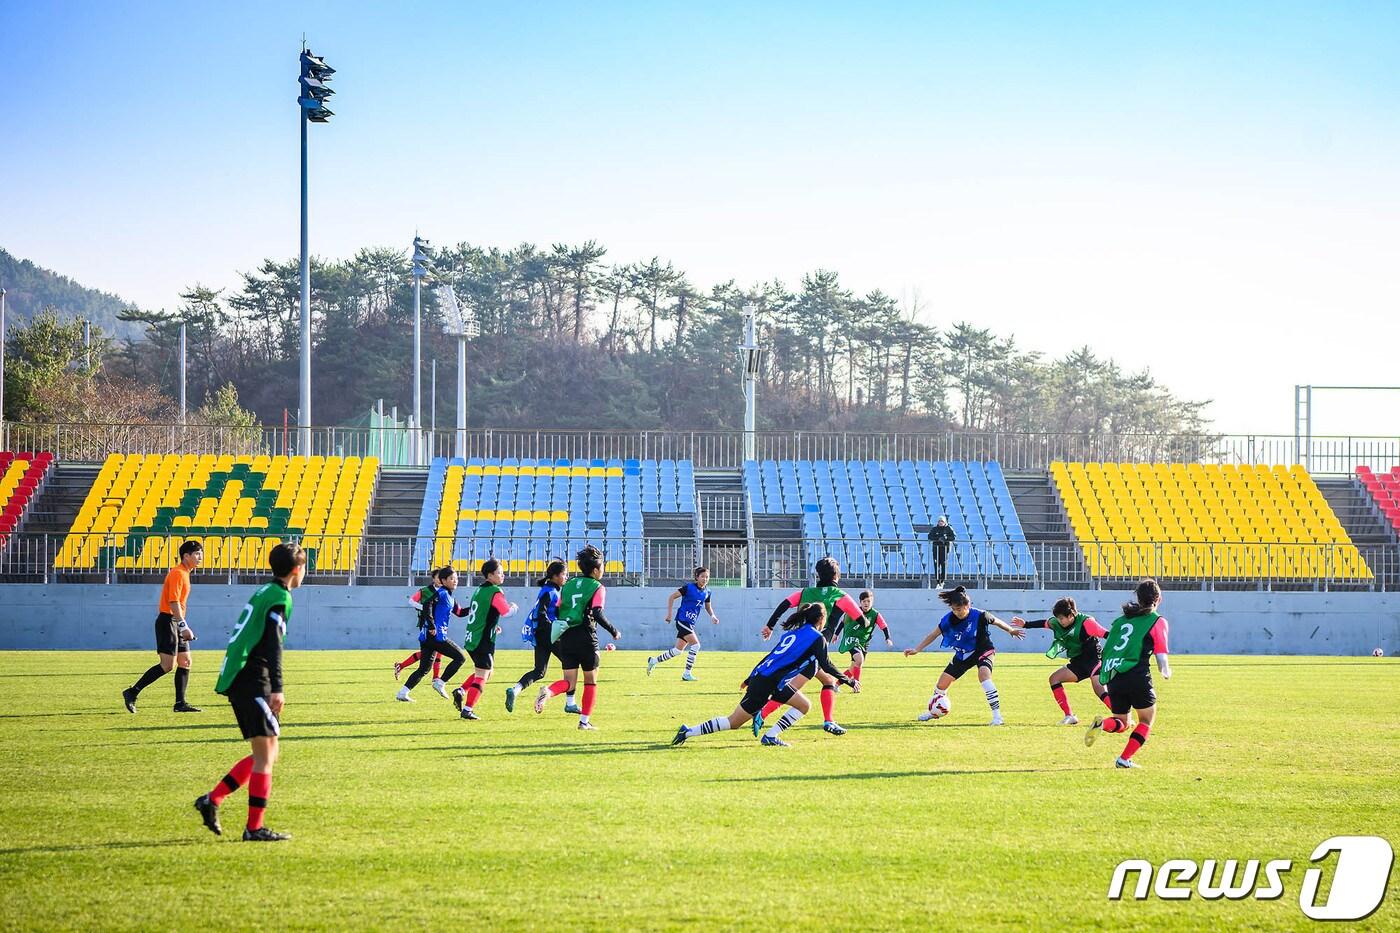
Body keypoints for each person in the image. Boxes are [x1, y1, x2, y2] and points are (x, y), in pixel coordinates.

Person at [193, 542, 306, 842]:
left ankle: (212, 800)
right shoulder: (280, 597)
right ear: (297, 570)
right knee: (266, 754)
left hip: (246, 676)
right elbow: (273, 645)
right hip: (251, 678)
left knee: (266, 753)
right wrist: (278, 688)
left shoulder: (265, 591)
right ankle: (253, 828)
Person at [671, 603, 859, 748]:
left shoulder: (793, 634)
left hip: (771, 680)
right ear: (821, 620)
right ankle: (688, 732)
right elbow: (826, 664)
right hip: (768, 683)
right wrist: (848, 680)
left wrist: (750, 677)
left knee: (804, 705)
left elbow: (770, 657)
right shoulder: (817, 638)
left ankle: (771, 736)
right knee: (733, 722)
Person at [751, 556, 864, 736]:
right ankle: (762, 715)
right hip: (813, 650)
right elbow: (862, 619)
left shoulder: (805, 592)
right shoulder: (841, 596)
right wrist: (842, 616)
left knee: (827, 681)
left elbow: (784, 605)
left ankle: (829, 721)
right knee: (794, 688)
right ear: (837, 575)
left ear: (818, 575)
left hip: (800, 645)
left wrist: (770, 626)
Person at [903, 585, 1026, 726]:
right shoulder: (948, 619)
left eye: (959, 609)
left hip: (983, 650)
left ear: (968, 605)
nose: (956, 612)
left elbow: (997, 622)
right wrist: (917, 649)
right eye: (954, 609)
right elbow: (933, 634)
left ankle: (997, 717)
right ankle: (934, 711)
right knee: (941, 685)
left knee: (984, 676)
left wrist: (1011, 630)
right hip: (963, 654)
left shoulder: (980, 615)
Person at [1085, 579, 1172, 769]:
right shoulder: (1157, 620)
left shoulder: (1120, 621)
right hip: (1137, 675)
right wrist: (1165, 670)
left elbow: (1109, 650)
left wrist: (1105, 672)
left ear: (1138, 599)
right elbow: (1161, 653)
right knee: (1146, 721)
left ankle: (1103, 725)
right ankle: (1124, 759)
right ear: (1159, 599)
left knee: (1122, 722)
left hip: (1115, 675)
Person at [534, 545, 621, 730]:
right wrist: (614, 631)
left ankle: (548, 692)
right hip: (586, 637)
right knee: (590, 681)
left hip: (566, 637)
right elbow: (597, 612)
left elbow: (557, 607)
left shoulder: (568, 584)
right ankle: (584, 722)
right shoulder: (598, 587)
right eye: (602, 566)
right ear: (596, 569)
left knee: (569, 682)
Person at [124, 540, 204, 714]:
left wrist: (182, 624)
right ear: (186, 556)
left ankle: (180, 703)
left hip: (176, 621)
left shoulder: (185, 573)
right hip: (168, 621)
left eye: (201, 553)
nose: (200, 557)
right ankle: (132, 692)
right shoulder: (178, 573)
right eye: (197, 553)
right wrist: (183, 626)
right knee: (167, 665)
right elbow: (173, 601)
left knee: (185, 661)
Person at [1011, 596, 1113, 724]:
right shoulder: (1056, 623)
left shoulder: (1086, 622)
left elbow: (1107, 634)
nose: (1059, 621)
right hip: (1077, 662)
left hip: (1094, 660)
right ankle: (1069, 716)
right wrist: (1025, 624)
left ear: (1071, 615)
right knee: (1054, 679)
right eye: (1058, 618)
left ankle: (1121, 716)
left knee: (1099, 689)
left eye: (1062, 618)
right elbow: (1044, 623)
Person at [505, 560, 580, 714]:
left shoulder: (549, 590)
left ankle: (515, 690)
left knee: (539, 671)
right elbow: (541, 613)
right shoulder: (550, 592)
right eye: (564, 574)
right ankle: (569, 702)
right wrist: (554, 627)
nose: (566, 577)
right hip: (549, 634)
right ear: (555, 576)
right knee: (571, 665)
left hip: (541, 634)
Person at [451, 558, 518, 720]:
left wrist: (493, 626)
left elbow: (483, 613)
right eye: (499, 573)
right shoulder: (494, 591)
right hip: (482, 640)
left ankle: (461, 691)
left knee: (486, 672)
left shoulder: (479, 590)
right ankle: (467, 709)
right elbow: (506, 612)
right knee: (483, 674)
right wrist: (514, 608)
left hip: (473, 636)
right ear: (490, 575)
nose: (503, 576)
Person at [395, 566, 469, 703]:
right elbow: (427, 604)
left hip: (427, 637)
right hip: (435, 636)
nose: (455, 581)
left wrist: (476, 608)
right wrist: (432, 625)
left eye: (456, 579)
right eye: (452, 579)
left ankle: (403, 692)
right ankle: (440, 682)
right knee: (460, 658)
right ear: (443, 580)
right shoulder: (441, 593)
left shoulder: (450, 598)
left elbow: (460, 613)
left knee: (424, 669)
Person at [648, 566, 720, 681]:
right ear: (697, 577)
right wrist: (669, 614)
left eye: (707, 577)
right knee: (696, 645)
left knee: (677, 651)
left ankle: (653, 661)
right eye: (702, 577)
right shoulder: (689, 588)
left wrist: (713, 616)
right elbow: (672, 597)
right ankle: (687, 673)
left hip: (690, 623)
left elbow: (707, 606)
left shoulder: (708, 591)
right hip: (682, 620)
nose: (705, 579)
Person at [828, 589, 894, 684]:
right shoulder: (854, 611)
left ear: (872, 602)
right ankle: (856, 683)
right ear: (860, 602)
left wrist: (887, 638)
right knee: (859, 659)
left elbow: (884, 626)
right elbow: (843, 622)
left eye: (868, 601)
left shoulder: (875, 614)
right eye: (864, 601)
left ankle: (836, 685)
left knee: (853, 668)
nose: (866, 603)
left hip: (863, 642)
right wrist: (836, 634)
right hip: (851, 639)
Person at [393, 569, 442, 682]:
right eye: (438, 577)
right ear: (433, 578)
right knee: (435, 650)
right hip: (426, 624)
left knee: (435, 650)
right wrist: (424, 608)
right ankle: (435, 677)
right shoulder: (425, 591)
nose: (440, 580)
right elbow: (411, 601)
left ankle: (401, 666)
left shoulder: (444, 591)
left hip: (439, 624)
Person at [926, 516, 955, 587]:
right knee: (936, 565)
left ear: (945, 522)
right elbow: (929, 537)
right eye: (939, 521)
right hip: (936, 549)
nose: (941, 523)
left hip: (945, 549)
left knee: (944, 564)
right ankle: (938, 581)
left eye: (942, 521)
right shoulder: (934, 529)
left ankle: (942, 580)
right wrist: (938, 538)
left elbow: (953, 537)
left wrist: (946, 538)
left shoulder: (948, 528)